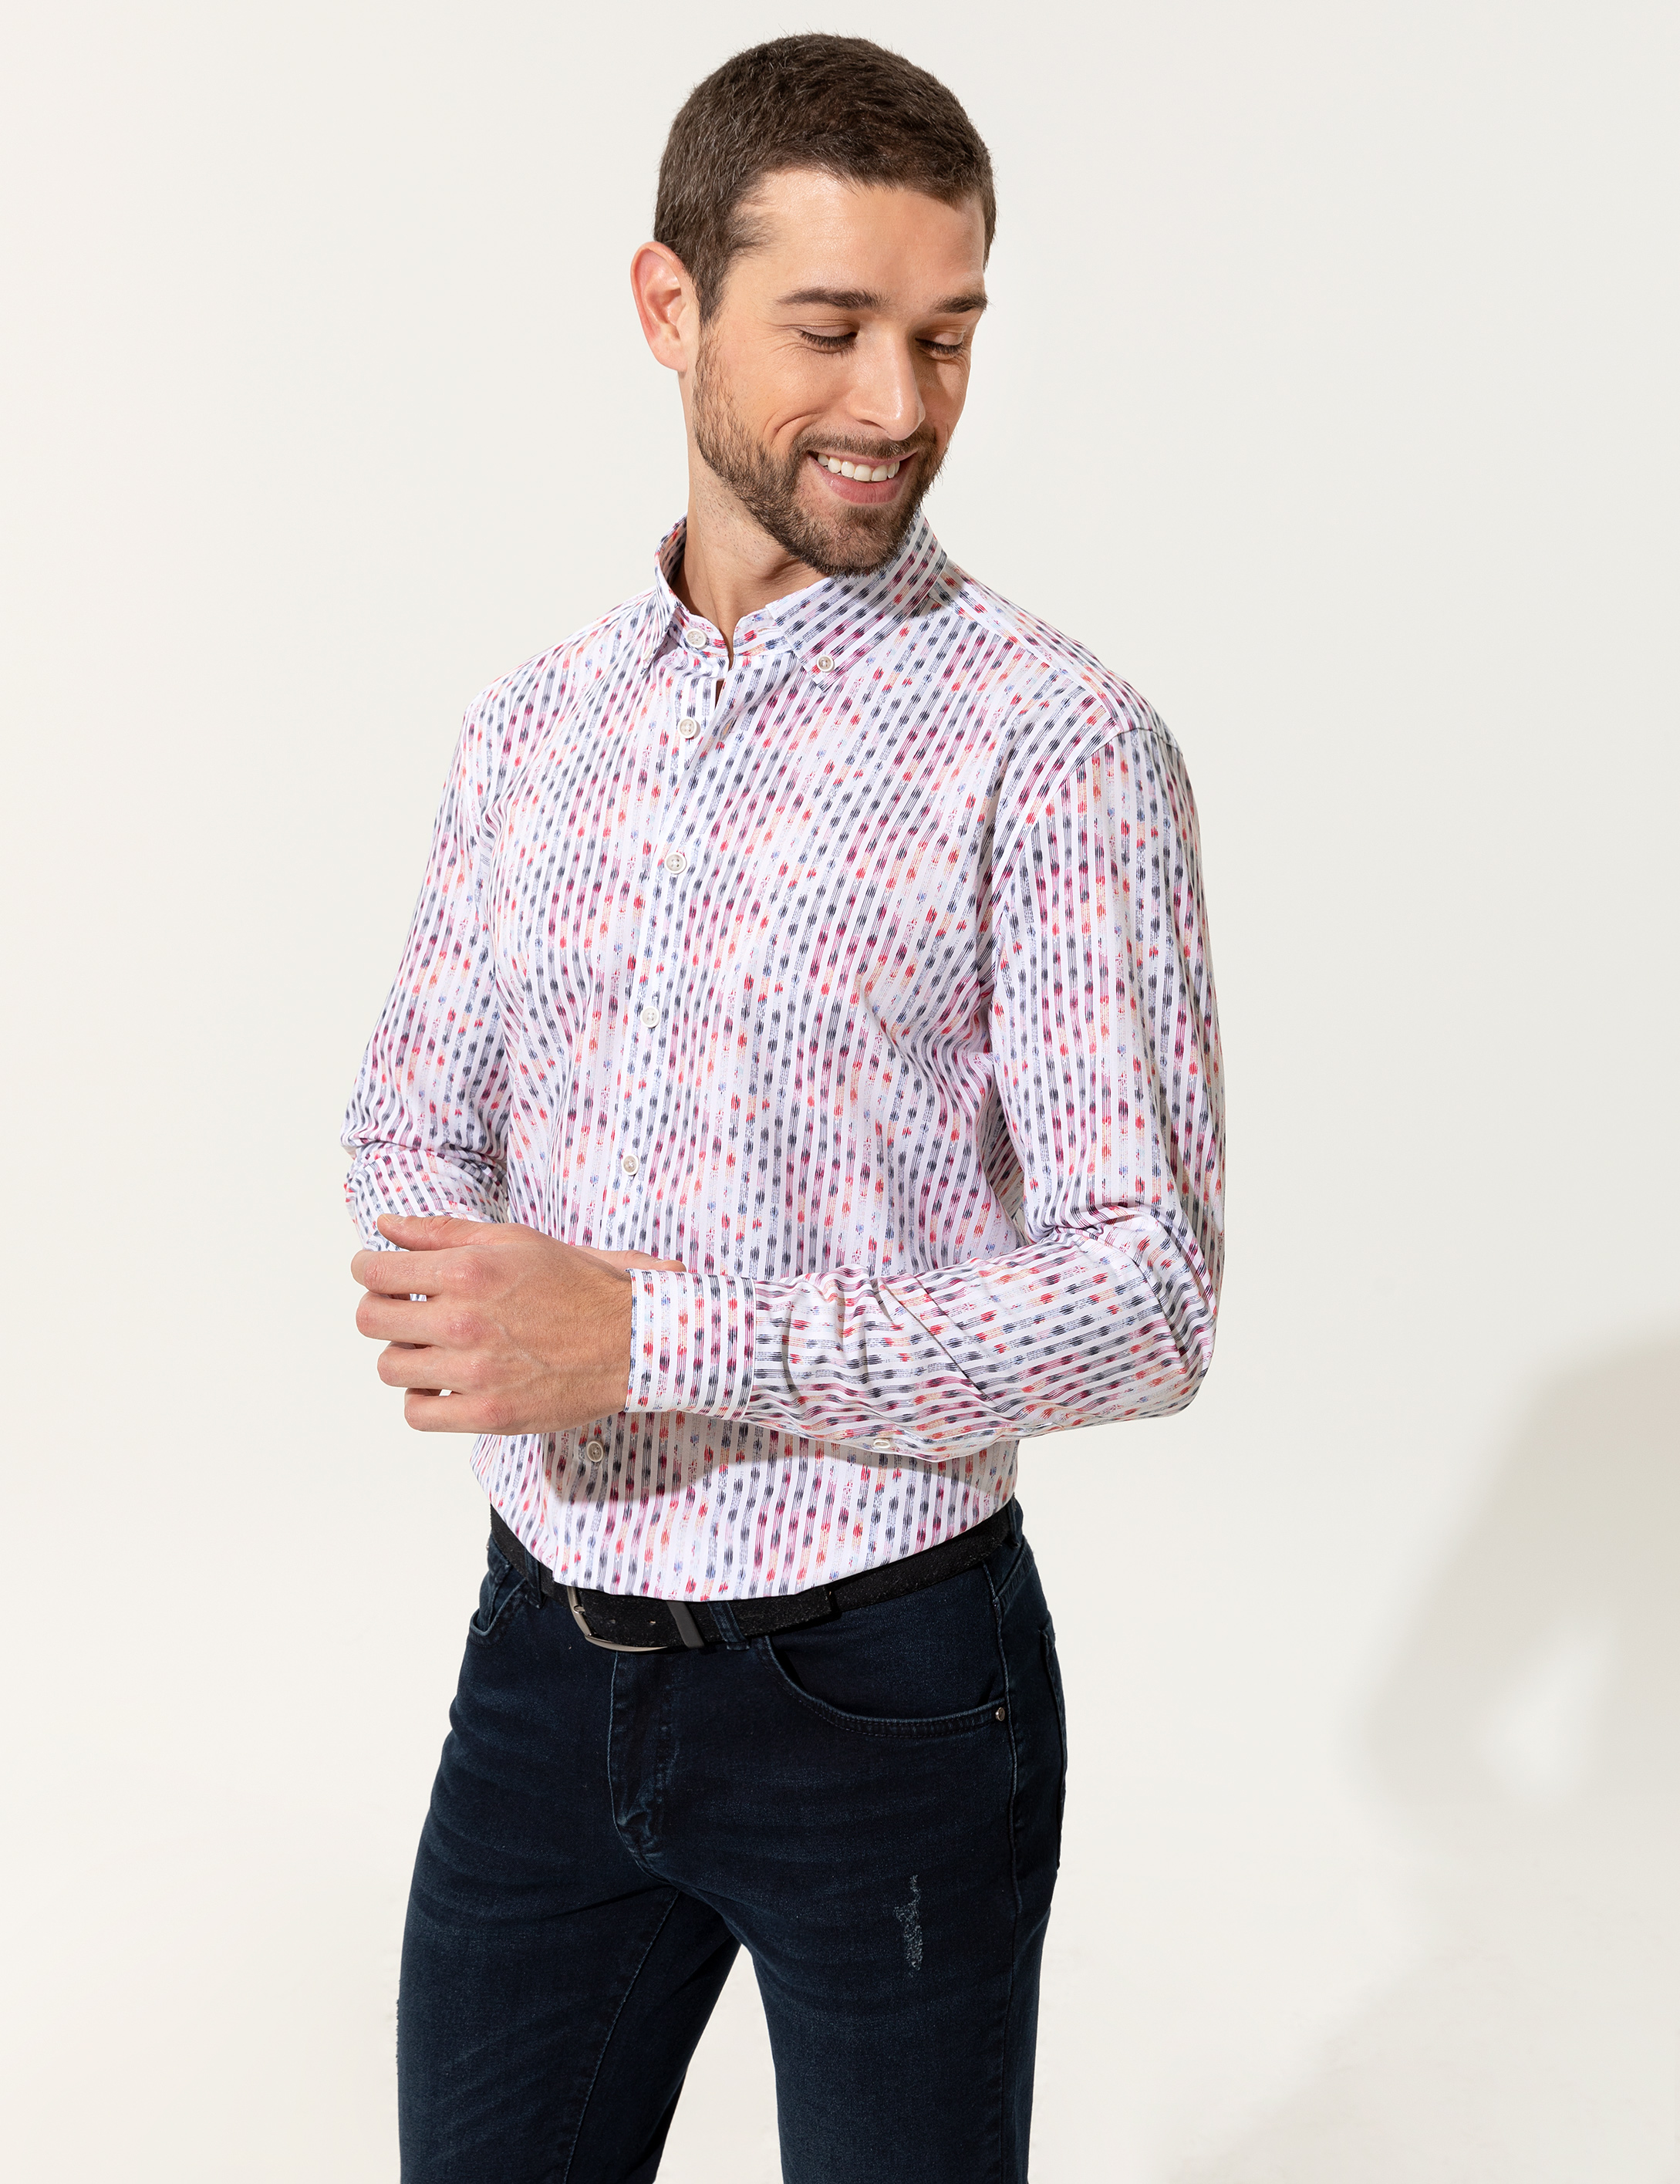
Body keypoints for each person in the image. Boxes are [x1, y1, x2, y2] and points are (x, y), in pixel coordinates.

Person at [342, 32, 1224, 2183]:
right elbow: (406, 1111)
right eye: (831, 328)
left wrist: (649, 1335)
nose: (897, 403)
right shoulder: (533, 730)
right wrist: (459, 1286)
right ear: (671, 307)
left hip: (888, 1696)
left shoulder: (1055, 746)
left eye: (947, 335)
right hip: (542, 1663)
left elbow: (1149, 1299)